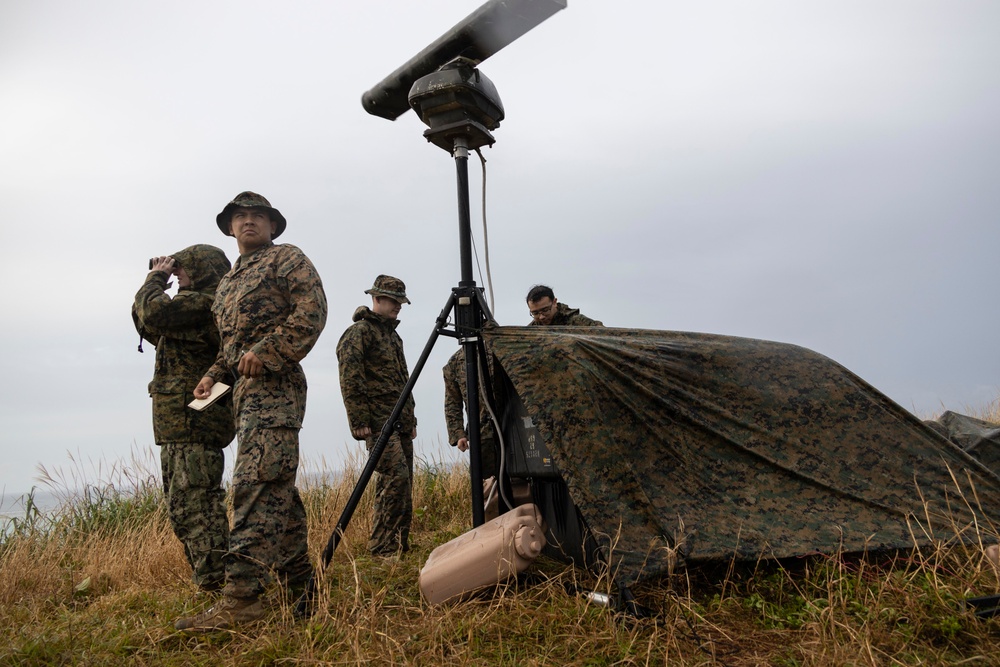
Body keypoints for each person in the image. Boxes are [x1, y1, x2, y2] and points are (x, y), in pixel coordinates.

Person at [174, 191, 328, 632]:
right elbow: (230, 351)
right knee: (275, 488)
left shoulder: (287, 259)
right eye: (240, 217)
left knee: (253, 485)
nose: (248, 222)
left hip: (276, 387)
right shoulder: (227, 284)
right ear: (228, 227)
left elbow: (312, 311)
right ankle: (302, 594)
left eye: (257, 216)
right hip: (244, 395)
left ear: (273, 226)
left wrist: (271, 349)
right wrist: (212, 378)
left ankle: (241, 602)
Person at [132, 244, 235, 593]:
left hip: (194, 421)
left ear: (203, 270)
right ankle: (213, 581)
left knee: (196, 506)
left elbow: (153, 313)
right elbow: (147, 319)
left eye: (182, 270)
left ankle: (220, 583)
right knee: (182, 506)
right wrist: (156, 284)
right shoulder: (191, 308)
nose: (177, 277)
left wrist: (156, 277)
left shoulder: (204, 303)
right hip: (179, 424)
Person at [337, 275, 417, 558]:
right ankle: (383, 549)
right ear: (377, 299)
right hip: (378, 424)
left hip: (400, 422)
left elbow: (404, 379)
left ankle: (397, 545)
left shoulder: (393, 336)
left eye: (401, 302)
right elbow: (350, 376)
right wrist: (359, 421)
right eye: (394, 301)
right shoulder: (359, 332)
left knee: (403, 481)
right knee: (395, 477)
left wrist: (411, 419)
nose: (399, 306)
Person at [442, 347, 498, 483]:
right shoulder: (455, 362)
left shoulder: (499, 349)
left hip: (512, 431)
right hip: (481, 435)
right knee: (485, 487)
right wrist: (458, 434)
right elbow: (452, 403)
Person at [525, 284, 603, 326]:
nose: (541, 317)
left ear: (554, 302)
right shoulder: (530, 332)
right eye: (535, 313)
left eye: (545, 310)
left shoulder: (578, 323)